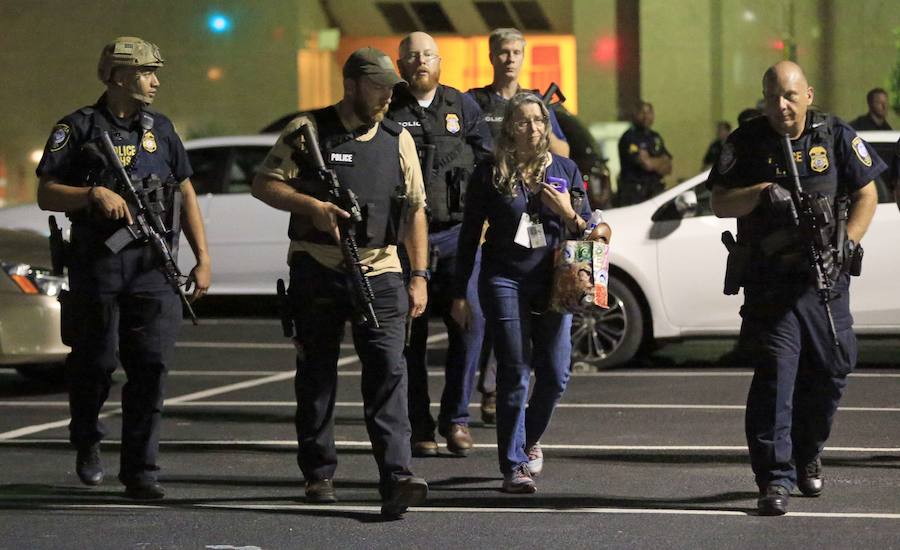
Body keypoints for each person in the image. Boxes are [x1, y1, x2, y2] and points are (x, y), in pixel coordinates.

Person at [251, 47, 430, 519]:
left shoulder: (398, 139)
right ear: (351, 85)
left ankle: (397, 477)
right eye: (379, 87)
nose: (389, 97)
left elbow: (414, 210)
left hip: (381, 269)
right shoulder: (307, 130)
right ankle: (319, 473)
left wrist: (419, 275)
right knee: (316, 377)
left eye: (393, 89)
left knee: (390, 373)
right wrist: (311, 207)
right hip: (318, 267)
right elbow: (264, 183)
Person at [35, 36, 211, 500]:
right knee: (96, 363)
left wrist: (203, 258)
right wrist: (90, 195)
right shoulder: (78, 128)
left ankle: (141, 470)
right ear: (118, 76)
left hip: (155, 265)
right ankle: (88, 438)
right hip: (99, 266)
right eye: (146, 73)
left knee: (152, 366)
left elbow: (186, 192)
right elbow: (46, 193)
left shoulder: (163, 129)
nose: (154, 82)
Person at [707, 60, 883, 516]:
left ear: (808, 95)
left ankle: (808, 452)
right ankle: (774, 479)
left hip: (825, 279)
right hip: (772, 285)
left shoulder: (836, 135)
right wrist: (762, 191)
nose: (781, 105)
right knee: (775, 379)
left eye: (789, 95)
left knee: (832, 371)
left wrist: (847, 243)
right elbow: (720, 202)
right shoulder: (746, 141)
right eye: (772, 97)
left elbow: (867, 194)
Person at [451, 93, 591, 493]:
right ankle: (514, 465)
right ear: (509, 128)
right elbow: (468, 236)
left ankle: (527, 439)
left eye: (539, 121)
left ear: (548, 127)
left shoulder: (565, 168)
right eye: (523, 121)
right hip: (504, 279)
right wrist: (460, 291)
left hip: (554, 283)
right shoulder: (490, 172)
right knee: (514, 371)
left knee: (556, 374)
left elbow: (587, 229)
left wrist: (567, 211)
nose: (532, 128)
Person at [386, 32, 493, 458]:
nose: (421, 62)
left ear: (440, 61)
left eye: (428, 55)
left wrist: (488, 225)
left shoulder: (461, 106)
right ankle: (420, 427)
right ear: (401, 65)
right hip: (404, 241)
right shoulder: (389, 107)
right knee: (409, 337)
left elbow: (488, 164)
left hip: (457, 236)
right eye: (412, 56)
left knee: (469, 326)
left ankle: (456, 419)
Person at [616, 100, 673, 206]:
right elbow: (646, 164)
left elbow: (668, 166)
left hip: (655, 191)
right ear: (635, 115)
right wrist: (660, 161)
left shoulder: (655, 137)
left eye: (649, 112)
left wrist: (653, 161)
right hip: (635, 194)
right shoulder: (630, 137)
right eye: (642, 112)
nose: (646, 116)